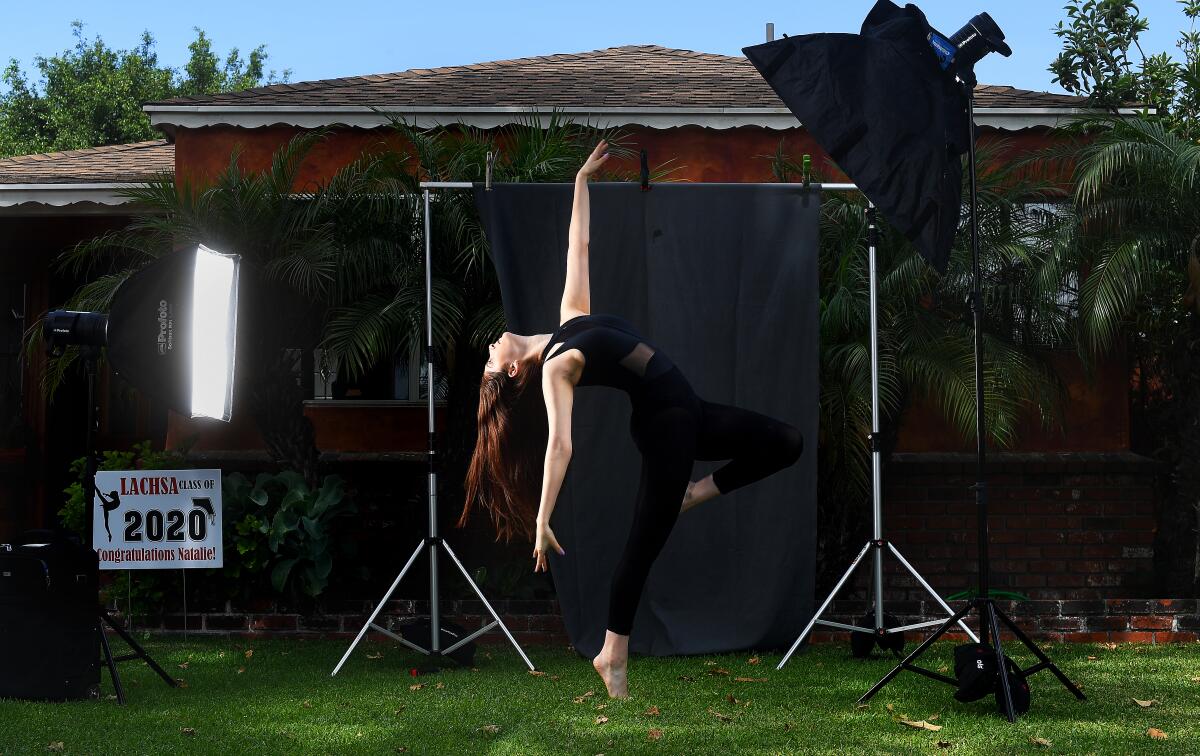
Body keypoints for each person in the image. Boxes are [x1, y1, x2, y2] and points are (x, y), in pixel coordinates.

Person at [460, 141, 803, 698]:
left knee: (786, 442)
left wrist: (580, 180)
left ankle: (695, 494)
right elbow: (560, 446)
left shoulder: (570, 322)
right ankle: (612, 657)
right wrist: (544, 518)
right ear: (511, 374)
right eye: (487, 364)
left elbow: (580, 244)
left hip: (689, 408)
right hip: (664, 425)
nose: (489, 349)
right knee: (641, 550)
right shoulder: (554, 369)